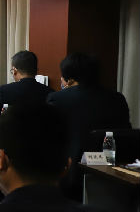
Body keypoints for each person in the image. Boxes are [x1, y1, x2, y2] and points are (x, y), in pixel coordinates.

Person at [47, 53, 132, 199]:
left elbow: (46, 136)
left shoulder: (57, 99)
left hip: (69, 176)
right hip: (113, 176)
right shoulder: (117, 99)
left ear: (69, 78)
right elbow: (126, 135)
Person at [0, 50, 53, 119]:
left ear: (14, 71)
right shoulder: (49, 92)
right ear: (36, 70)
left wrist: (5, 114)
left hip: (12, 126)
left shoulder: (5, 90)